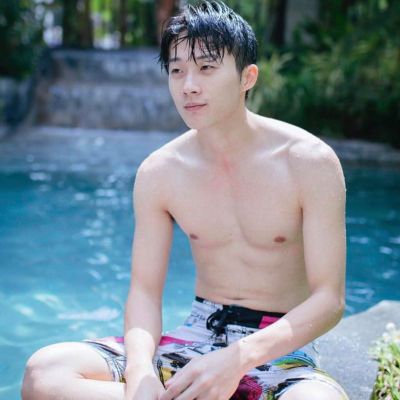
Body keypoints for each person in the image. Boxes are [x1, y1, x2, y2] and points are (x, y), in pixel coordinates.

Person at [22, 1, 349, 399]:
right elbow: (144, 292)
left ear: (247, 77)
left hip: (279, 347)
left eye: (207, 68)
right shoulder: (161, 171)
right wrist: (141, 373)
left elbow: (329, 300)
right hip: (196, 335)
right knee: (45, 373)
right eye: (177, 70)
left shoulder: (308, 162)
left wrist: (238, 359)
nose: (188, 85)